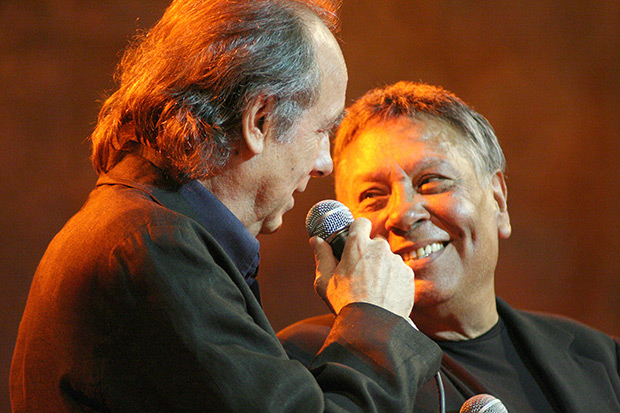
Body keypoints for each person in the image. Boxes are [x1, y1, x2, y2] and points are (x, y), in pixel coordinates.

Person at [10, 3, 443, 412]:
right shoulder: (152, 248)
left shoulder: (142, 232)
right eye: (323, 130)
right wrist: (374, 318)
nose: (324, 164)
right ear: (259, 120)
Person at [277, 81, 620, 412]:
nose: (403, 214)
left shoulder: (601, 362)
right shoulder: (300, 361)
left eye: (431, 182)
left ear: (499, 201)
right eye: (373, 196)